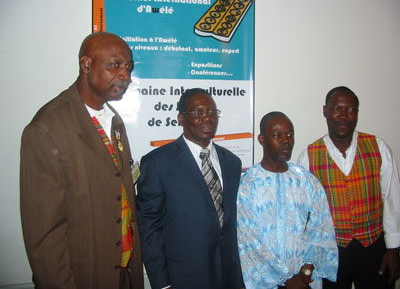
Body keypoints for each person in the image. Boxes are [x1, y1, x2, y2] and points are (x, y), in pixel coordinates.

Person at [20, 32, 144, 289]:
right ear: (86, 65)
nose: (125, 76)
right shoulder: (47, 128)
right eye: (115, 65)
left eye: (128, 67)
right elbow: (44, 237)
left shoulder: (114, 120)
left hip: (124, 271)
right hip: (83, 277)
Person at [136, 88, 244, 289]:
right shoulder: (157, 163)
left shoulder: (232, 162)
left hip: (228, 277)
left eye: (212, 112)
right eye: (198, 112)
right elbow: (149, 227)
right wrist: (161, 283)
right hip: (183, 278)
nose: (207, 118)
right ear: (180, 118)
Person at [298, 86, 400, 289]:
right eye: (337, 108)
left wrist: (394, 249)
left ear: (357, 113)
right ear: (325, 111)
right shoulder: (308, 156)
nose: (344, 116)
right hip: (329, 252)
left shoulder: (378, 147)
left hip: (373, 248)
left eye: (351, 109)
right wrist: (306, 260)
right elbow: (304, 215)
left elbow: (392, 199)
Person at [237, 111, 338, 289]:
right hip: (266, 282)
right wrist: (287, 278)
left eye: (290, 134)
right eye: (278, 135)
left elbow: (321, 227)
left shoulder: (306, 181)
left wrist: (306, 270)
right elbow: (247, 240)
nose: (286, 140)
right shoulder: (248, 185)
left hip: (306, 280)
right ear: (262, 139)